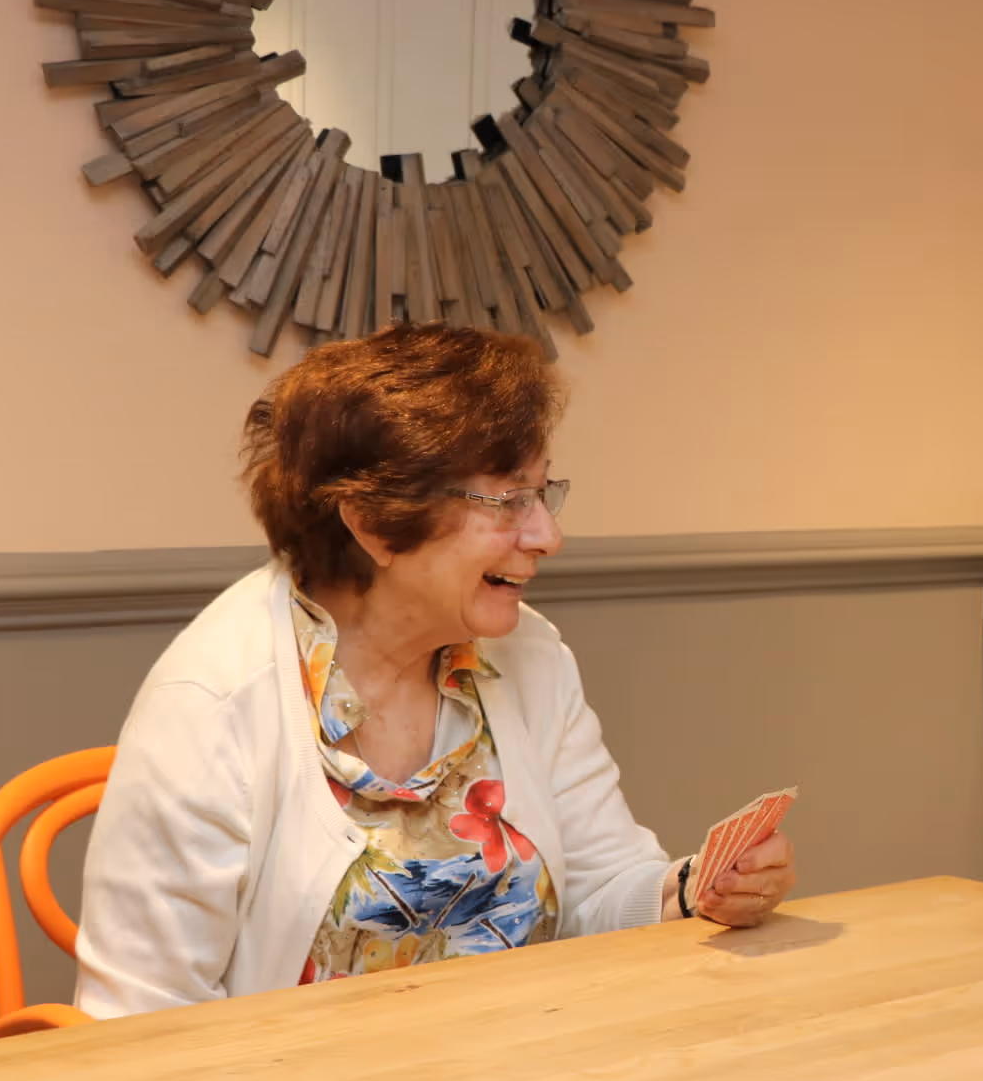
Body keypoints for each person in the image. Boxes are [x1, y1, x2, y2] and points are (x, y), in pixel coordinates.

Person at [76, 324, 795, 1017]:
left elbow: (601, 889)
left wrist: (698, 889)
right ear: (376, 522)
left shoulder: (528, 656)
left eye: (543, 495)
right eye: (508, 501)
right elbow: (143, 1022)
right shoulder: (210, 706)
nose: (548, 535)